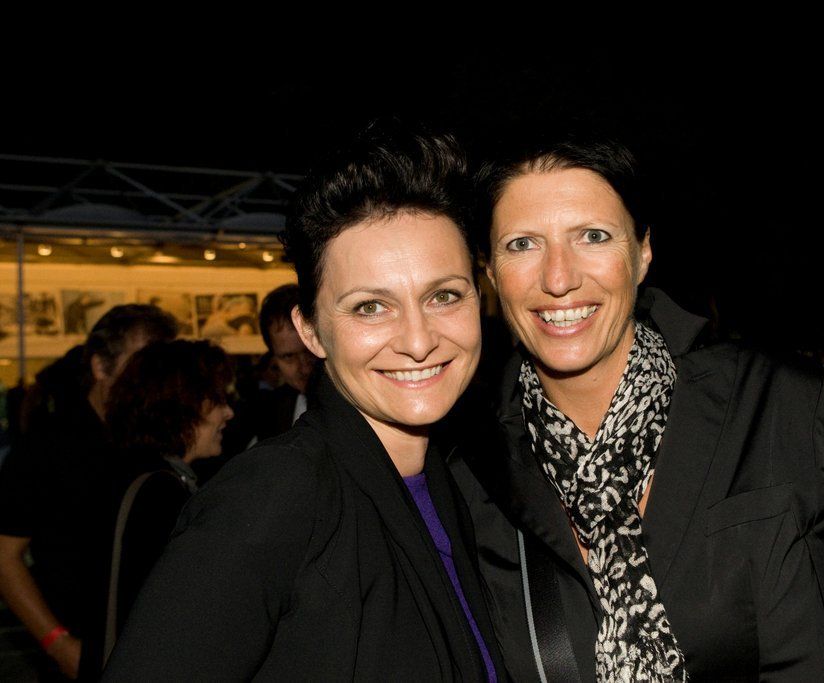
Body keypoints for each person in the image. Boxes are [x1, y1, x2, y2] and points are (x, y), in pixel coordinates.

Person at [451, 135, 824, 681]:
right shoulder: (474, 464)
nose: (559, 278)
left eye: (593, 236)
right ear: (490, 271)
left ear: (642, 252)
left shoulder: (772, 403)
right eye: (523, 244)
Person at [102, 121, 502, 681]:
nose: (418, 341)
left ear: (479, 300)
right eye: (370, 307)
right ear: (310, 330)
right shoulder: (273, 496)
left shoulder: (460, 480)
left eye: (444, 296)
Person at [0, 304, 177, 680]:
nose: (151, 378)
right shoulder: (48, 446)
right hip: (81, 653)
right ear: (100, 366)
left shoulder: (153, 443)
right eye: (139, 363)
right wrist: (59, 644)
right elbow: (4, 555)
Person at [100, 340, 235, 664]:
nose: (228, 412)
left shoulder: (129, 473)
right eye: (217, 399)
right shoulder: (160, 492)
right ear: (183, 405)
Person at [253, 283, 317, 439]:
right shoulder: (268, 413)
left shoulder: (360, 405)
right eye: (289, 357)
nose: (304, 367)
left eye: (310, 351)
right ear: (273, 358)